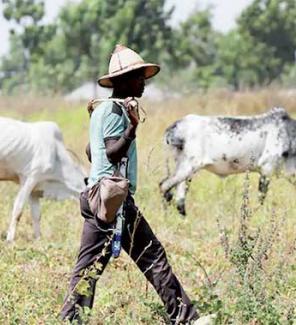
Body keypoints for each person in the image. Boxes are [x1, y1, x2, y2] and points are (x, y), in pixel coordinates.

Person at [60, 45, 209, 324]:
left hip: (97, 197)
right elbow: (112, 153)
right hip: (113, 202)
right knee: (152, 258)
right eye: (139, 77)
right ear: (123, 80)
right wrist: (132, 128)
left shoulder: (101, 109)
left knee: (88, 270)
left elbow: (92, 153)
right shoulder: (117, 111)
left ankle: (71, 320)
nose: (143, 83)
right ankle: (186, 318)